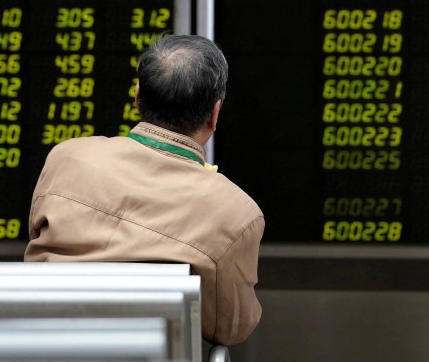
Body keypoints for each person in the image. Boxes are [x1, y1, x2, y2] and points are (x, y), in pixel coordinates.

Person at [25, 34, 264, 346]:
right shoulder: (238, 213)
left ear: (137, 96)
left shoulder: (65, 158)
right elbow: (231, 328)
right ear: (215, 113)